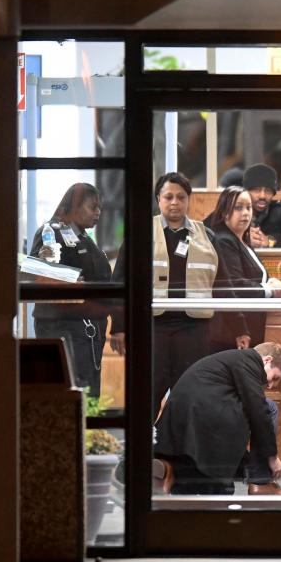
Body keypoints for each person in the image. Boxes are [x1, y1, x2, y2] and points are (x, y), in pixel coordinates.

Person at [111, 172, 219, 414]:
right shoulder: (140, 234)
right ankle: (142, 447)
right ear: (158, 199)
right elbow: (119, 281)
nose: (174, 202)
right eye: (168, 196)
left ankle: (184, 450)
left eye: (181, 197)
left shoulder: (207, 236)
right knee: (148, 391)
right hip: (153, 326)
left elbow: (221, 284)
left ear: (188, 200)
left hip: (194, 328)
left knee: (192, 393)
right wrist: (118, 326)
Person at [153, 341, 281, 496]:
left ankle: (167, 467)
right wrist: (272, 456)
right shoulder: (249, 360)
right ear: (267, 360)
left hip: (181, 420)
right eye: (274, 377)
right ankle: (260, 481)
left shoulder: (228, 360)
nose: (270, 385)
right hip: (204, 412)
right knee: (268, 408)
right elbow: (258, 409)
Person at [30, 182, 120, 398]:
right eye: (92, 207)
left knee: (89, 393)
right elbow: (35, 272)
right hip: (63, 326)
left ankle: (88, 432)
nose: (98, 213)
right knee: (69, 393)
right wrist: (71, 278)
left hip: (89, 328)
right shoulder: (51, 232)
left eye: (100, 208)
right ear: (74, 206)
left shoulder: (84, 238)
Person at [204, 186, 281, 353]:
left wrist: (270, 281)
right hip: (231, 333)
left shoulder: (242, 240)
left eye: (248, 207)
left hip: (250, 328)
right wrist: (268, 289)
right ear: (224, 212)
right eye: (238, 207)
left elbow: (255, 276)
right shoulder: (224, 240)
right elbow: (235, 285)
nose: (245, 213)